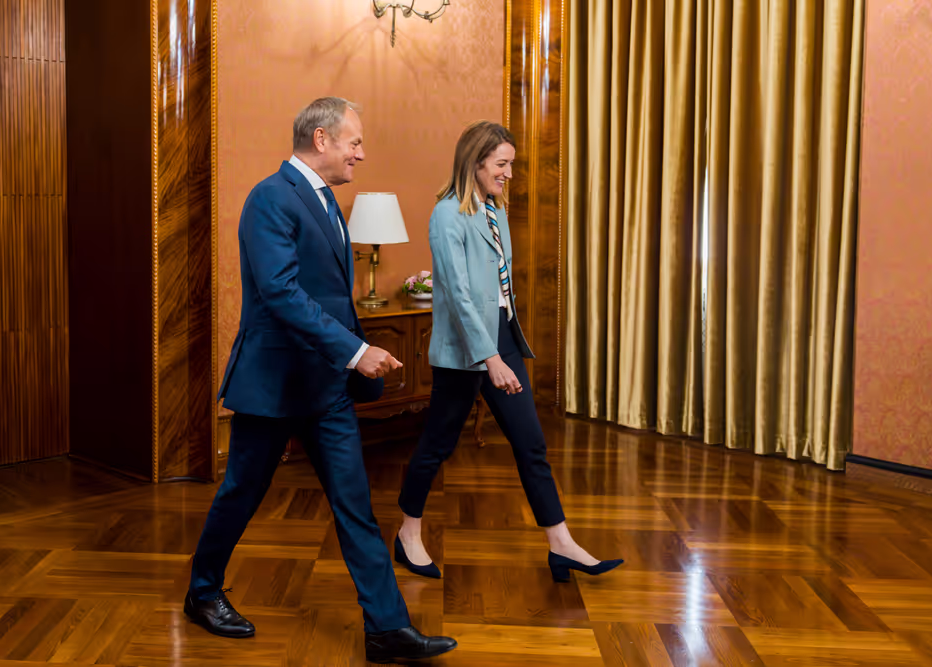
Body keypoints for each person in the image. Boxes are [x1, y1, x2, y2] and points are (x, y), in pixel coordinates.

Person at [184, 97, 456, 664]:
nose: (362, 152)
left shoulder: (327, 200)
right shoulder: (270, 198)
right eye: (354, 141)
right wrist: (357, 351)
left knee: (354, 502)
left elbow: (334, 295)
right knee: (242, 493)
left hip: (324, 386)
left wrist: (351, 355)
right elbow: (281, 293)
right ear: (321, 139)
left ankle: (386, 629)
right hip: (274, 383)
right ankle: (203, 592)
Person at [394, 120, 623, 584]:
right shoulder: (446, 215)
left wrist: (503, 347)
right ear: (475, 162)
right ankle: (407, 534)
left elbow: (498, 288)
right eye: (502, 164)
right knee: (438, 445)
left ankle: (561, 544)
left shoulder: (494, 212)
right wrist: (489, 358)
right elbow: (457, 296)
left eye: (510, 164)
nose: (509, 174)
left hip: (501, 338)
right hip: (464, 350)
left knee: (531, 444)